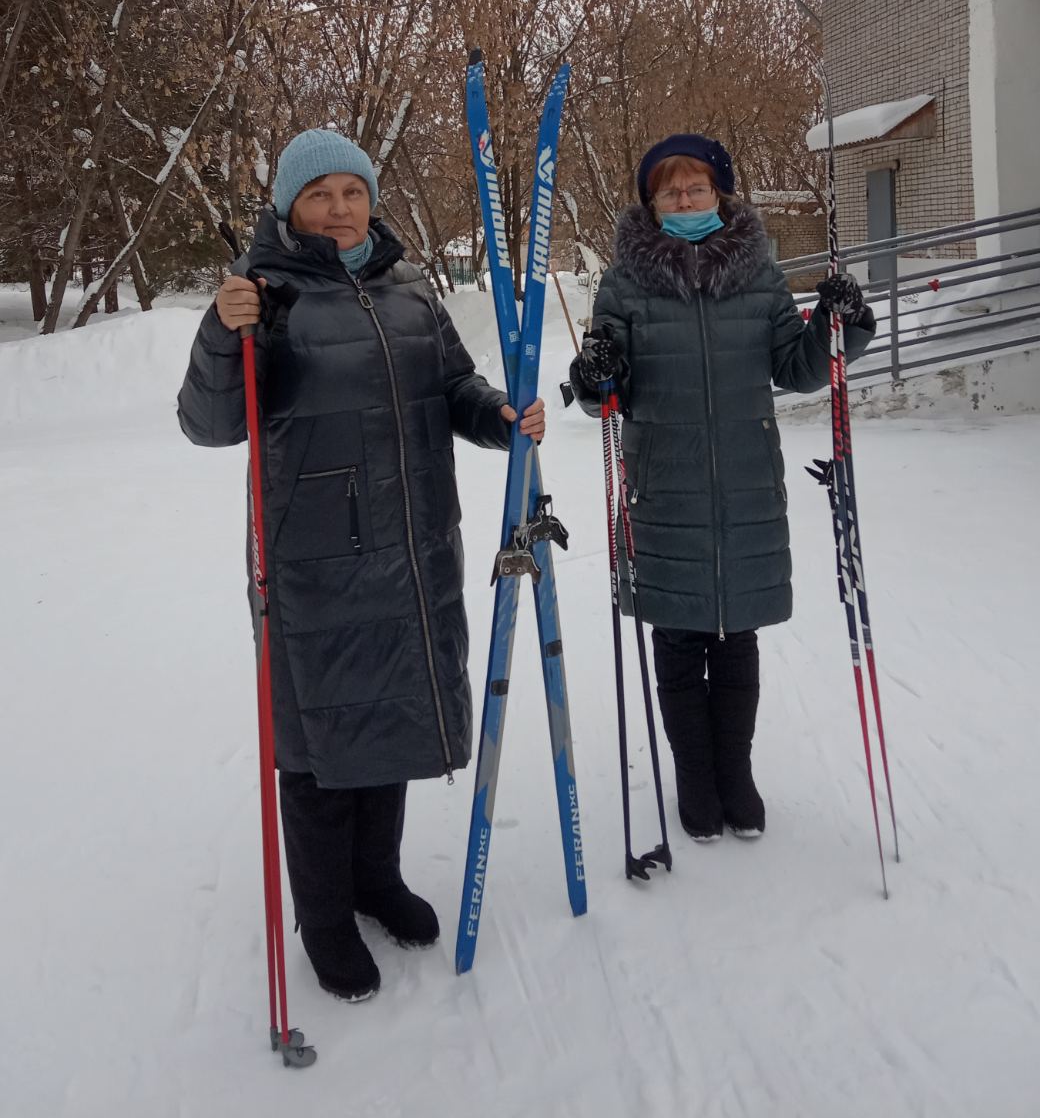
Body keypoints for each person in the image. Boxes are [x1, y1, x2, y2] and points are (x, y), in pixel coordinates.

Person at [177, 130, 544, 1002]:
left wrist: (500, 413)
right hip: (314, 563)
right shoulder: (262, 297)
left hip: (414, 546)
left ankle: (376, 881)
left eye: (353, 191)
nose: (340, 209)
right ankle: (327, 916)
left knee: (392, 725)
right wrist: (224, 336)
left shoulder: (408, 286)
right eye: (320, 195)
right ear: (287, 207)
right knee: (317, 745)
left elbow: (451, 385)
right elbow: (209, 423)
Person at [569, 134, 875, 842]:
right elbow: (602, 392)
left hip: (744, 484)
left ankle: (734, 774)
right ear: (652, 203)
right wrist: (596, 373)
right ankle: (693, 780)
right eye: (671, 191)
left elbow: (799, 370)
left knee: (738, 638)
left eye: (696, 187)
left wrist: (841, 324)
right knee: (677, 639)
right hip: (664, 486)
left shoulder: (760, 278)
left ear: (720, 195)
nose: (684, 200)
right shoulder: (623, 283)